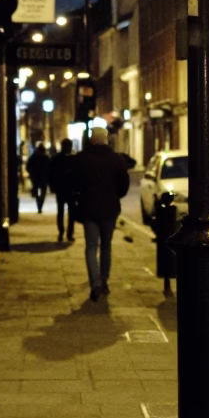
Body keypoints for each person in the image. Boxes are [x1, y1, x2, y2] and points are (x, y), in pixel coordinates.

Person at [72, 126, 130, 301]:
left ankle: (95, 283)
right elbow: (124, 185)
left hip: (89, 208)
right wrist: (115, 196)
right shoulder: (116, 159)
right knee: (106, 246)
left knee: (91, 246)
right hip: (110, 208)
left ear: (91, 139)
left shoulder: (82, 159)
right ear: (105, 139)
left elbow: (74, 183)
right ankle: (104, 280)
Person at [48, 138, 76, 243]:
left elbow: (50, 174)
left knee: (63, 212)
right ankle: (66, 233)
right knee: (68, 212)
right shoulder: (73, 159)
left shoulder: (56, 159)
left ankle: (64, 232)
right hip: (68, 189)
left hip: (64, 189)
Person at [26, 143, 50, 213]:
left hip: (35, 176)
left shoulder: (33, 156)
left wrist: (31, 173)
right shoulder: (46, 157)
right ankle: (40, 204)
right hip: (43, 177)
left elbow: (28, 166)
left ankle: (38, 203)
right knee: (43, 192)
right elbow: (49, 167)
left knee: (36, 191)